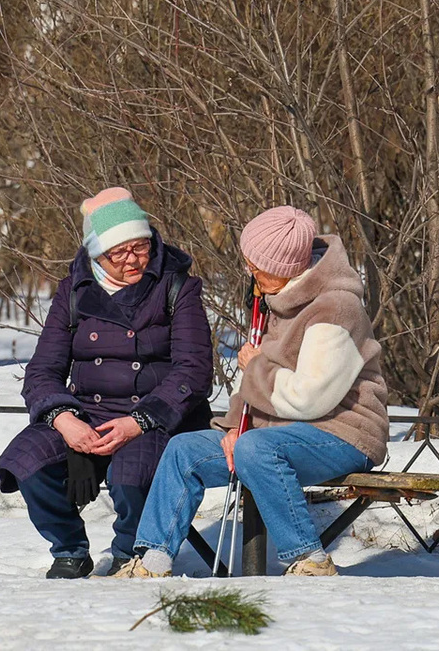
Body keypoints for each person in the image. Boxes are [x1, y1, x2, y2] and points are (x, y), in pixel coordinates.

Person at [110, 205, 389, 578]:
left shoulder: (336, 307)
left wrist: (255, 367)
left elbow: (309, 397)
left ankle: (310, 559)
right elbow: (253, 388)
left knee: (257, 448)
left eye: (257, 266)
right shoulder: (275, 298)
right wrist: (232, 430)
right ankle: (152, 561)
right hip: (272, 436)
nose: (250, 274)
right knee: (183, 450)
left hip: (343, 434)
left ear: (287, 266)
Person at [0, 187, 214, 579]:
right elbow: (42, 370)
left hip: (155, 415)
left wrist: (140, 420)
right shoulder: (74, 292)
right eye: (120, 252)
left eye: (141, 247)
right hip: (87, 412)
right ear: (97, 253)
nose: (133, 259)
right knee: (25, 462)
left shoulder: (177, 286)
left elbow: (193, 371)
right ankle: (69, 548)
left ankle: (130, 555)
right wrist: (64, 419)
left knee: (132, 475)